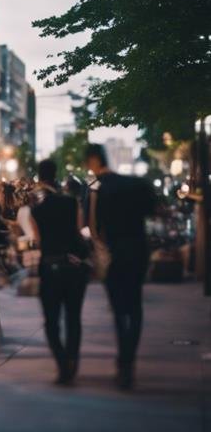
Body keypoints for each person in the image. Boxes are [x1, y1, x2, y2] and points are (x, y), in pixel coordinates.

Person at [86, 143, 156, 390]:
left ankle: (124, 362)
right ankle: (128, 361)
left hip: (116, 254)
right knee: (135, 307)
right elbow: (152, 211)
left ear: (93, 161)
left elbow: (96, 230)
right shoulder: (135, 185)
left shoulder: (101, 190)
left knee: (118, 310)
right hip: (138, 250)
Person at [28, 159, 91, 385]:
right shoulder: (72, 202)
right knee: (73, 317)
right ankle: (72, 360)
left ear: (39, 175)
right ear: (57, 174)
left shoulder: (37, 210)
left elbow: (38, 241)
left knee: (51, 320)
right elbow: (80, 231)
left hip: (50, 266)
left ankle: (62, 363)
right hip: (73, 267)